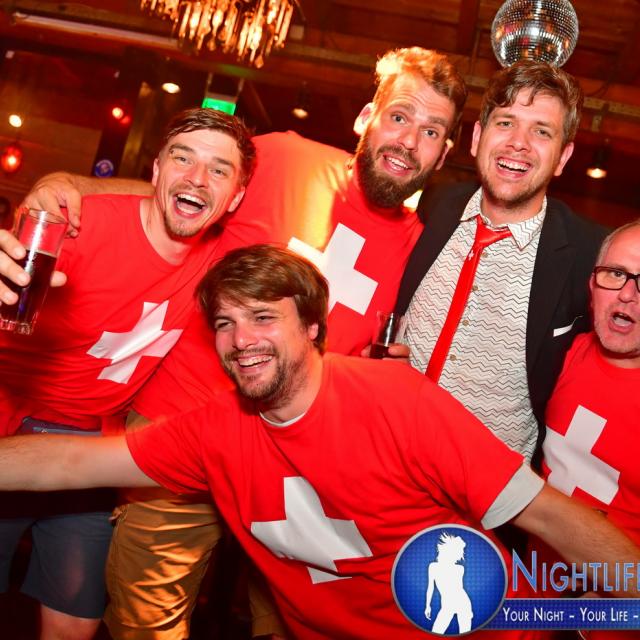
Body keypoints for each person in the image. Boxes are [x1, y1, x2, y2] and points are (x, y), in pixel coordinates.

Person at [20, 47, 468, 640]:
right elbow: (185, 191)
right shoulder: (284, 158)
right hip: (180, 433)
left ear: (445, 152)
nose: (409, 141)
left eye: (431, 131)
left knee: (296, 622)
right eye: (400, 116)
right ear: (367, 117)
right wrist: (69, 185)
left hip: (294, 466)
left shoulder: (423, 247)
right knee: (144, 623)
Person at [0, 245, 638, 640]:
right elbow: (68, 459)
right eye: (224, 322)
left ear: (311, 327)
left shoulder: (398, 402)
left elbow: (549, 516)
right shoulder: (216, 428)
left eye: (263, 317)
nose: (241, 339)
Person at [0, 108, 253, 640]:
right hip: (8, 423)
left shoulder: (223, 261)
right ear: (156, 169)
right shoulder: (79, 226)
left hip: (88, 453)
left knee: (75, 626)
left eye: (218, 170)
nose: (196, 178)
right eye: (182, 159)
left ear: (235, 199)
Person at [396, 60, 608, 465]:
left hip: (488, 489)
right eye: (506, 123)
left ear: (563, 157)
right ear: (478, 137)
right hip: (387, 451)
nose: (518, 143)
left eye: (541, 131)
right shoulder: (436, 204)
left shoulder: (588, 253)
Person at [538, 220, 640, 639]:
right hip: (525, 599)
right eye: (616, 273)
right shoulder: (556, 356)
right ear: (591, 285)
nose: (628, 294)